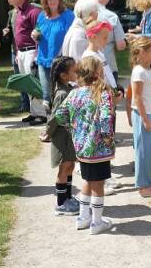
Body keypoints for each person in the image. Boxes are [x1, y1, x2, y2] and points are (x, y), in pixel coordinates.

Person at [55, 57, 115, 235]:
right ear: (97, 73)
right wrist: (108, 138)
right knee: (98, 184)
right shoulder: (103, 93)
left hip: (81, 148)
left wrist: (74, 128)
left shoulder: (74, 93)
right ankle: (97, 222)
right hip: (99, 148)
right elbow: (105, 119)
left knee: (88, 181)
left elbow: (60, 114)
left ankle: (83, 218)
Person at [82, 20, 123, 194]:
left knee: (108, 139)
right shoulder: (90, 57)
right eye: (104, 37)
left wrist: (115, 91)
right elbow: (96, 82)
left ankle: (105, 177)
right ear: (92, 36)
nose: (107, 40)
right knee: (102, 141)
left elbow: (107, 76)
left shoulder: (99, 52)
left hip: (108, 99)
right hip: (101, 104)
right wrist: (110, 97)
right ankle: (101, 181)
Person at [129, 36, 151, 197]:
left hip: (149, 112)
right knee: (142, 150)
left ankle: (147, 179)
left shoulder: (147, 68)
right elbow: (137, 98)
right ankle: (143, 186)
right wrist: (144, 119)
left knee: (149, 150)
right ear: (141, 52)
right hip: (143, 115)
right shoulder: (139, 71)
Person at [7, 0, 46, 125]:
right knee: (27, 83)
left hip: (31, 51)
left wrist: (37, 54)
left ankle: (41, 114)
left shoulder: (33, 12)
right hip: (22, 52)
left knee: (34, 83)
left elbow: (40, 33)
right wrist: (17, 52)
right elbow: (18, 35)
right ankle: (34, 112)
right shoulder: (18, 12)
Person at [32, 0, 74, 109]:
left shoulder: (68, 15)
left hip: (61, 61)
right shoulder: (41, 16)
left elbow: (72, 35)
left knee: (61, 93)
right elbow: (37, 30)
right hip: (43, 59)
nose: (53, 1)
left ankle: (62, 122)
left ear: (59, 0)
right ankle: (51, 124)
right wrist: (34, 34)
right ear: (45, 1)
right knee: (46, 94)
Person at [47, 56, 79, 215]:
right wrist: (47, 133)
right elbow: (55, 118)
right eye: (74, 70)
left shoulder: (69, 88)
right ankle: (60, 204)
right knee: (64, 167)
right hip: (62, 137)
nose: (77, 71)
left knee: (70, 165)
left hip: (70, 136)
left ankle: (68, 197)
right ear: (64, 75)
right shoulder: (61, 93)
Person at [91, 0, 126, 86]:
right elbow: (121, 45)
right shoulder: (112, 16)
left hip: (88, 64)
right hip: (108, 64)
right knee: (109, 98)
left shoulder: (84, 16)